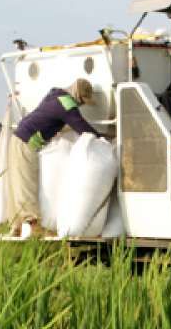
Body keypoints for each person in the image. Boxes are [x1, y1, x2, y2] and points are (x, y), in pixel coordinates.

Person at [9, 78, 102, 238]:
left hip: (20, 139)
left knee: (19, 184)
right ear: (77, 94)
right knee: (27, 184)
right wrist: (103, 139)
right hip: (26, 142)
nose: (81, 105)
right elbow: (83, 128)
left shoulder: (55, 95)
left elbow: (52, 118)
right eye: (82, 101)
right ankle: (32, 225)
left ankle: (17, 227)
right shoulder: (67, 104)